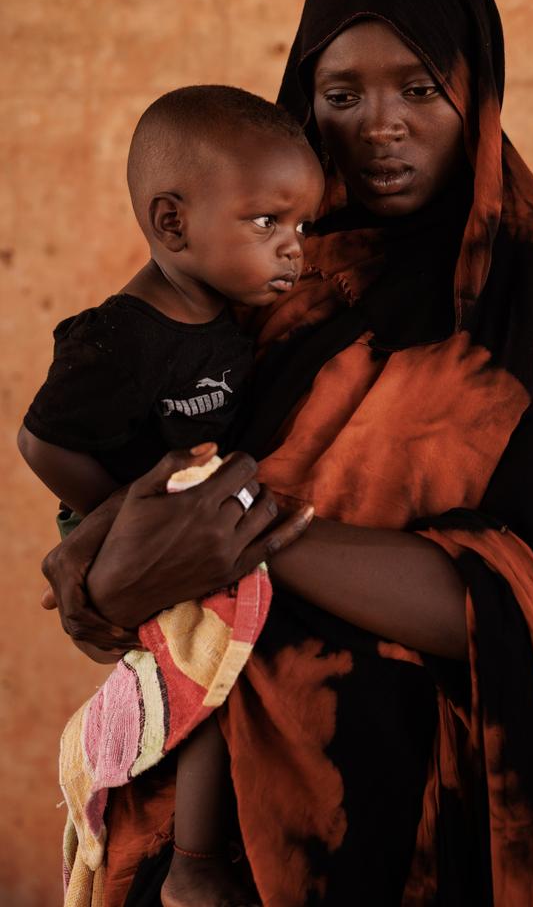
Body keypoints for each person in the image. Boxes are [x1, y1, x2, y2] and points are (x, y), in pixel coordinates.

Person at [41, 0, 533, 907]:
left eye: (418, 88)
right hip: (186, 822)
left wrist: (234, 538)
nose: (379, 126)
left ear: (475, 93)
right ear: (299, 94)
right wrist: (115, 569)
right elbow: (123, 547)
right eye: (341, 92)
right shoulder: (261, 269)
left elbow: (528, 610)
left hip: (397, 829)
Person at [18, 85, 323, 907]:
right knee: (215, 664)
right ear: (172, 223)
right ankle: (192, 864)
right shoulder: (118, 337)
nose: (294, 249)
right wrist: (125, 516)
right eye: (268, 224)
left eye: (302, 227)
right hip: (128, 515)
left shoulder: (225, 313)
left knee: (223, 664)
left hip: (185, 515)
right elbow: (41, 441)